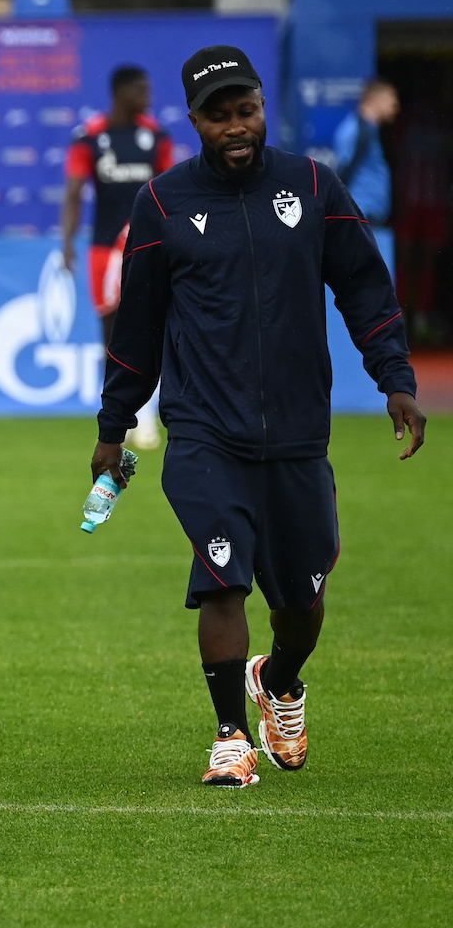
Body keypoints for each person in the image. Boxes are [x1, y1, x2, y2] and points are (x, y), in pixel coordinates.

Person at [93, 45, 424, 788]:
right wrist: (114, 428)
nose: (237, 126)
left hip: (301, 433)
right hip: (205, 429)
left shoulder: (313, 184)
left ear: (263, 109)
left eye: (247, 110)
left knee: (303, 604)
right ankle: (230, 738)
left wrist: (395, 379)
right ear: (195, 120)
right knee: (220, 578)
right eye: (219, 115)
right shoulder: (161, 204)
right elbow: (138, 329)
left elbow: (365, 292)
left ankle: (278, 679)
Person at [61, 64, 172, 450]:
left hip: (149, 246)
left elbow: (171, 193)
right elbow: (74, 193)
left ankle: (148, 418)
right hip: (105, 249)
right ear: (120, 92)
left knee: (152, 328)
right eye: (141, 89)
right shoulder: (90, 137)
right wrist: (66, 242)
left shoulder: (156, 137)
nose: (148, 95)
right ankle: (118, 418)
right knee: (111, 337)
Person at [331, 79, 400, 275]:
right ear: (376, 99)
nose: (396, 106)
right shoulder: (358, 130)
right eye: (391, 99)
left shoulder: (369, 130)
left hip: (369, 222)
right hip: (361, 222)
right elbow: (341, 174)